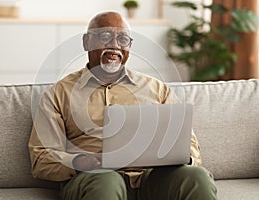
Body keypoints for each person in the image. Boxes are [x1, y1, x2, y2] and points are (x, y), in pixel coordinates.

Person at [29, 11, 217, 200]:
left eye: (123, 39)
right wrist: (82, 162)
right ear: (86, 42)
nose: (115, 45)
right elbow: (41, 157)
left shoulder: (157, 89)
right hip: (94, 179)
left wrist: (182, 158)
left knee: (196, 177)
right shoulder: (58, 94)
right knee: (107, 181)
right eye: (105, 36)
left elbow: (189, 145)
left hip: (151, 179)